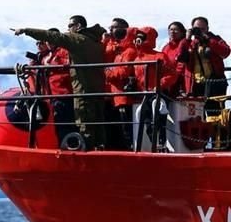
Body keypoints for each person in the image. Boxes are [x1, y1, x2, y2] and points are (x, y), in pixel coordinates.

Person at [13, 15, 108, 149]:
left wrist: (26, 30)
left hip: (83, 90)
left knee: (84, 125)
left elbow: (54, 36)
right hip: (98, 90)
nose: (68, 29)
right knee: (99, 125)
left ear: (78, 26)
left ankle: (86, 156)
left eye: (70, 26)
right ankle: (100, 149)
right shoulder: (96, 42)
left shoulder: (78, 40)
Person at [185, 16, 231, 116]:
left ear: (208, 29)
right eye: (197, 29)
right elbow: (181, 57)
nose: (199, 32)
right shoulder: (192, 44)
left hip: (215, 83)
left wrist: (208, 40)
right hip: (196, 84)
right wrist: (187, 39)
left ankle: (217, 131)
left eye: (202, 29)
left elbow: (226, 52)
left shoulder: (215, 39)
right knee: (197, 117)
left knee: (215, 115)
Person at [105, 27, 141, 148]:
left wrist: (107, 73)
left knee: (127, 128)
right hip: (119, 96)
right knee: (121, 128)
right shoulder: (122, 51)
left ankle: (130, 148)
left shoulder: (129, 51)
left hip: (124, 96)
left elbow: (122, 72)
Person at [160, 21, 189, 98]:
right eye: (171, 30)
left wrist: (175, 75)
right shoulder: (166, 47)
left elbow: (182, 62)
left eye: (176, 30)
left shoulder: (185, 44)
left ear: (182, 32)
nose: (172, 32)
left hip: (181, 80)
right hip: (168, 80)